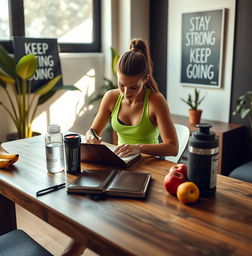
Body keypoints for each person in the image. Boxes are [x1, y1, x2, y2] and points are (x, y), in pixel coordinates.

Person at [61, 38, 178, 256]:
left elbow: (172, 147)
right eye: (121, 84)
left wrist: (138, 146)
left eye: (133, 87)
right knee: (87, 216)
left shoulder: (156, 101)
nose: (125, 92)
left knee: (122, 225)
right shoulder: (111, 97)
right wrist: (92, 136)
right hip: (120, 166)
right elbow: (93, 130)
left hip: (151, 171)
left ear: (146, 79)